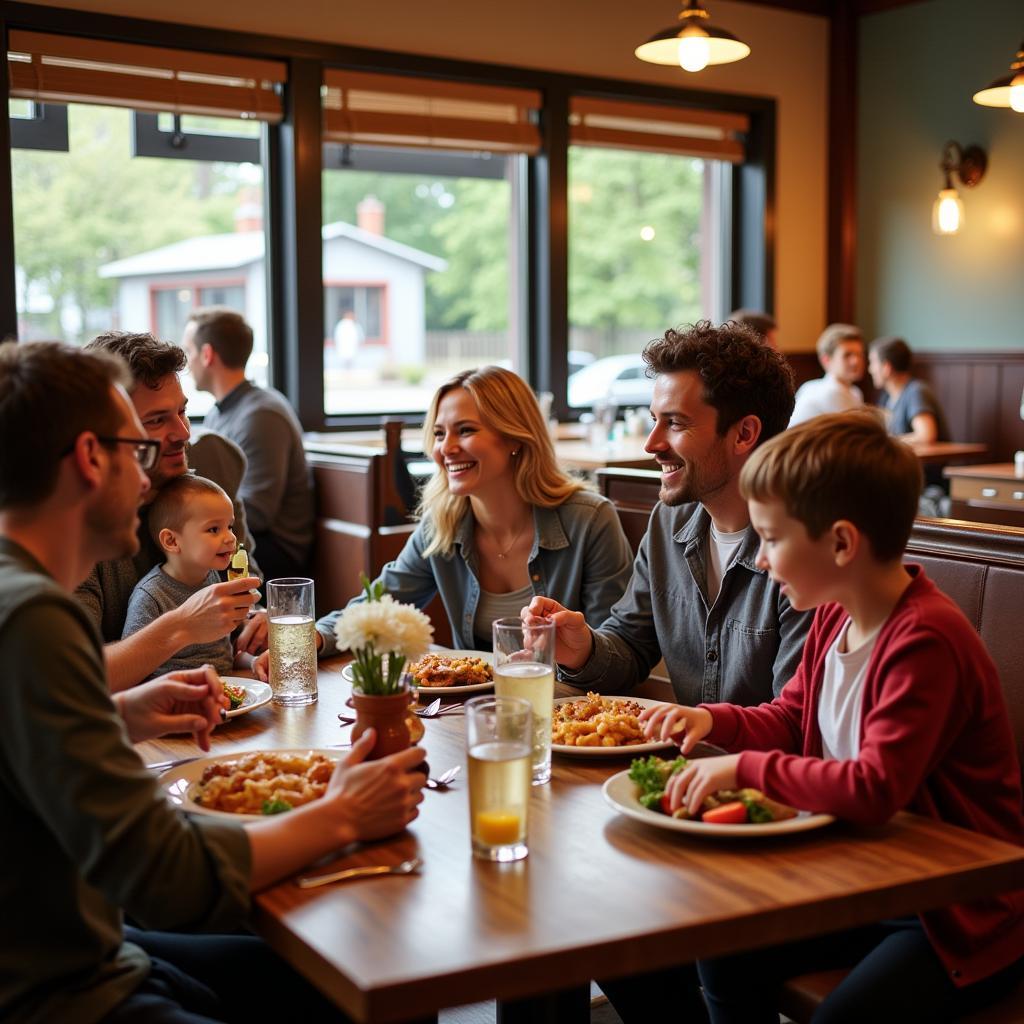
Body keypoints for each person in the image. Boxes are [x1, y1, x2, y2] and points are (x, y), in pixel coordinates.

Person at [0, 340, 427, 1023]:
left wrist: (123, 715)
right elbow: (167, 875)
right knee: (352, 977)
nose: (150, 479)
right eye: (136, 451)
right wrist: (345, 811)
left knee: (327, 976)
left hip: (90, 945)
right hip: (59, 990)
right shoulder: (34, 618)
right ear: (88, 458)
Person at [642, 411, 1023, 1022]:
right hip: (867, 880)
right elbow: (794, 716)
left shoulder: (925, 638)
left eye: (771, 538)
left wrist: (743, 768)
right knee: (720, 942)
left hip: (956, 913)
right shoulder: (835, 610)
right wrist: (713, 722)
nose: (761, 560)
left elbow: (875, 788)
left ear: (843, 543)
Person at [255, 365, 633, 677]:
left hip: (572, 717)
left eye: (465, 430)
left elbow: (618, 658)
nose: (445, 448)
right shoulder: (443, 523)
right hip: (473, 712)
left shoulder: (590, 519)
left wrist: (576, 655)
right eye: (438, 434)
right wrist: (312, 638)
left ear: (515, 437)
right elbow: (376, 606)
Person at [525, 322, 813, 708]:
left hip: (753, 767)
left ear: (744, 433)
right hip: (684, 760)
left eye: (675, 423)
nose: (651, 443)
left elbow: (793, 720)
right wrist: (582, 649)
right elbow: (630, 645)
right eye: (654, 419)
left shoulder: (809, 544)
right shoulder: (669, 520)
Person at [77, 331, 267, 692]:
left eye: (181, 411)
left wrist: (255, 623)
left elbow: (242, 594)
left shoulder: (210, 485)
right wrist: (182, 625)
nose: (182, 433)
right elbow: (73, 678)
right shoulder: (74, 525)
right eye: (156, 421)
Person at [183, 307, 314, 581]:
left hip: (277, 550)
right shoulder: (220, 412)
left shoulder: (261, 415)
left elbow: (258, 514)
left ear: (207, 355)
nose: (187, 362)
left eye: (189, 352)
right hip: (243, 534)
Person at [123, 475, 248, 679]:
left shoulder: (214, 578)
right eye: (214, 529)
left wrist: (253, 661)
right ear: (171, 541)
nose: (231, 538)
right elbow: (134, 667)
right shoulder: (151, 595)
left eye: (230, 527)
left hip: (227, 688)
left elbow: (223, 651)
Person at [868, 334, 950, 444]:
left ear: (886, 367)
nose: (870, 369)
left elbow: (926, 436)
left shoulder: (916, 391)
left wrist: (887, 443)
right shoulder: (886, 397)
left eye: (872, 362)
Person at [789, 323, 865, 426]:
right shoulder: (831, 392)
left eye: (859, 354)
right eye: (847, 355)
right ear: (826, 360)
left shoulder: (855, 392)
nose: (856, 361)